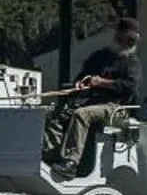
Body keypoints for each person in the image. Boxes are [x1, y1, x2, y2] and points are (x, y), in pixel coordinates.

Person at [52, 18, 141, 173]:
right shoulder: (99, 56)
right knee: (56, 115)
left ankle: (71, 162)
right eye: (127, 39)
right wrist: (79, 84)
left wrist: (102, 82)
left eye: (132, 40)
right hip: (93, 102)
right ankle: (52, 154)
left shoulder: (132, 62)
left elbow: (130, 87)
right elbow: (82, 76)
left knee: (81, 114)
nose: (129, 43)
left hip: (117, 107)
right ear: (119, 36)